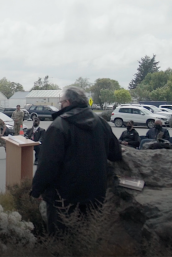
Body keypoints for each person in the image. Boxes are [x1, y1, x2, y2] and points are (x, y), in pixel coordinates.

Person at [30, 87, 122, 235]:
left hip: (63, 198)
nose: (60, 105)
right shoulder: (101, 123)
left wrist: (36, 190)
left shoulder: (59, 125)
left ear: (67, 102)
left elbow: (48, 164)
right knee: (88, 239)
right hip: (95, 194)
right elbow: (116, 154)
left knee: (62, 241)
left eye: (61, 102)